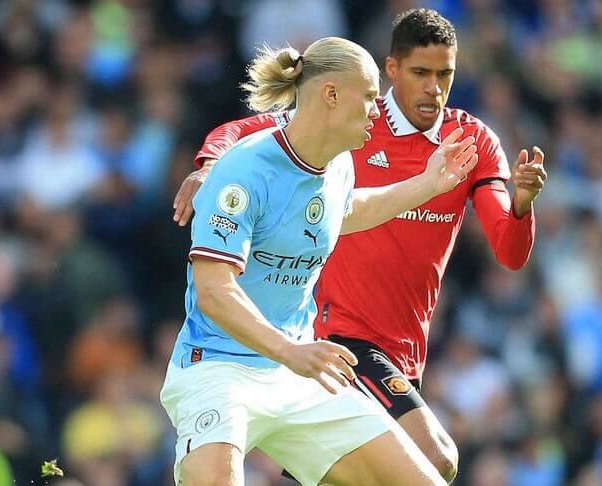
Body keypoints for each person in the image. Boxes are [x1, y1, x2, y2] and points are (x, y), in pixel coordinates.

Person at [173, 9, 547, 483]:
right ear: (391, 70)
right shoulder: (313, 140)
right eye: (419, 73)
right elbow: (240, 138)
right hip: (305, 346)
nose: (433, 87)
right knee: (434, 456)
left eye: (444, 75)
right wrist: (208, 167)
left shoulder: (453, 144)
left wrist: (499, 199)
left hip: (370, 354)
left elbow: (359, 210)